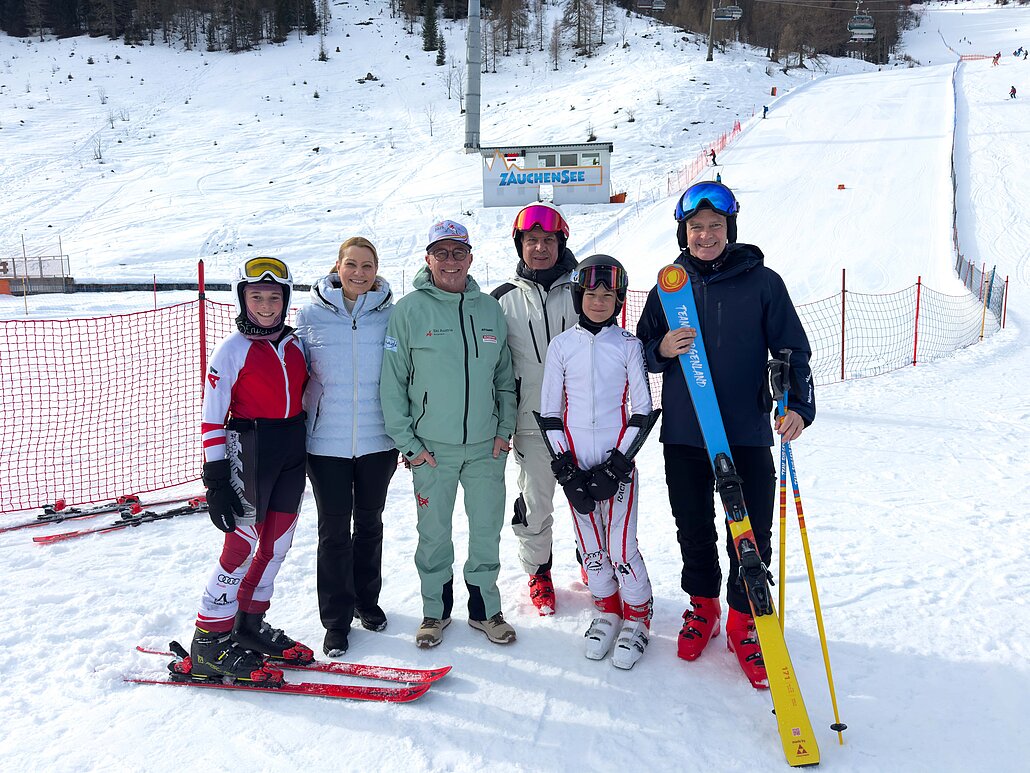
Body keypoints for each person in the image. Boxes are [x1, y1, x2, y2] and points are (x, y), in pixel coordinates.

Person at [636, 181, 815, 689]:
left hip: (746, 431)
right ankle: (704, 606)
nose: (706, 235)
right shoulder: (669, 285)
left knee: (752, 531)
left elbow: (791, 350)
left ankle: (743, 618)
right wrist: (662, 349)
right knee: (693, 526)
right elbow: (641, 349)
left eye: (715, 226)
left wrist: (798, 406)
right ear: (684, 232)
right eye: (696, 227)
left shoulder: (763, 283)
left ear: (729, 229)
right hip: (685, 433)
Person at [380, 219, 518, 649]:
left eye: (458, 252)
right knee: (434, 535)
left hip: (484, 448)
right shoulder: (409, 310)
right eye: (441, 253)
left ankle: (484, 610)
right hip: (431, 451)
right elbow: (392, 383)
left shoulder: (489, 309)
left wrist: (504, 432)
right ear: (428, 259)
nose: (450, 261)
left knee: (486, 531)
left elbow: (504, 378)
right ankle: (434, 612)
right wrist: (409, 445)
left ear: (470, 258)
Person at [189, 256, 312, 682]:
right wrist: (216, 479)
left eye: (274, 297)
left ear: (286, 300)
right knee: (240, 549)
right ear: (243, 299)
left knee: (277, 545)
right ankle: (208, 641)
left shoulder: (295, 345)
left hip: (291, 453)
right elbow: (211, 418)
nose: (265, 305)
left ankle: (248, 624)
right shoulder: (231, 350)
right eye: (256, 296)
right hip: (249, 452)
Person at [539, 254, 655, 670]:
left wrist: (617, 466)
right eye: (591, 294)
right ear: (578, 297)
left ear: (619, 299)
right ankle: (607, 609)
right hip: (575, 463)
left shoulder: (628, 345)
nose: (599, 301)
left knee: (621, 547)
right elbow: (550, 413)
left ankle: (638, 614)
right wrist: (566, 471)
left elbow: (642, 410)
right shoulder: (561, 346)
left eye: (608, 295)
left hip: (615, 464)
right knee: (591, 547)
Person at [294, 237, 397, 658]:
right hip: (325, 444)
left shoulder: (391, 314)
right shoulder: (310, 314)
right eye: (351, 264)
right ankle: (336, 620)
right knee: (334, 531)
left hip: (378, 440)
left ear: (377, 270)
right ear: (337, 267)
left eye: (367, 265)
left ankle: (366, 601)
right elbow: (294, 371)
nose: (359, 273)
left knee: (370, 524)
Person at [491, 202, 577, 616]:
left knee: (591, 501)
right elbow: (491, 366)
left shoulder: (583, 290)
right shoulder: (502, 300)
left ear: (561, 244)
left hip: (583, 420)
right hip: (530, 422)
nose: (540, 247)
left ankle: (596, 566)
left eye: (548, 240)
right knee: (536, 502)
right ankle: (538, 571)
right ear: (519, 245)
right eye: (531, 240)